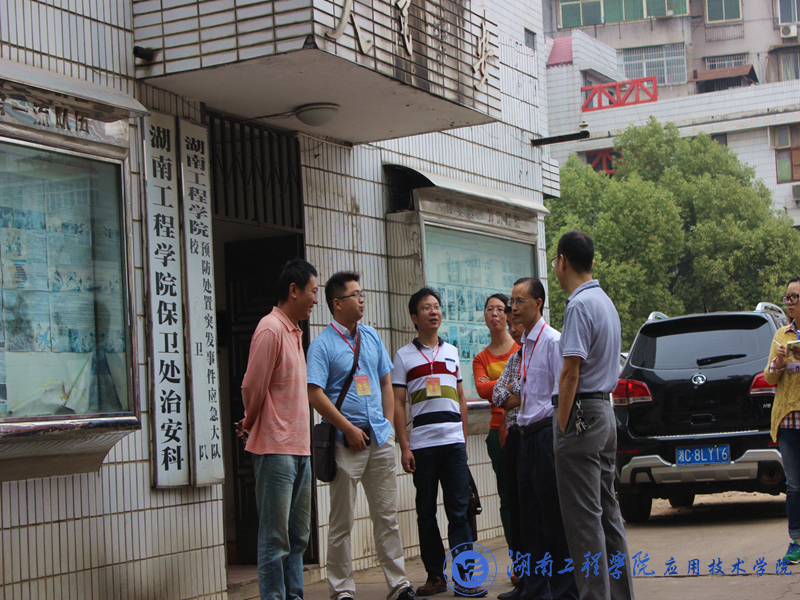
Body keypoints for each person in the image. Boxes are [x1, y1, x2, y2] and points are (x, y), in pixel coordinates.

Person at [307, 271, 417, 600]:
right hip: (345, 443)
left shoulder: (370, 336)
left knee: (387, 518)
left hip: (378, 440)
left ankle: (399, 586)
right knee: (341, 522)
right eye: (355, 295)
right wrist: (347, 428)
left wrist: (386, 425)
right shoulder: (322, 345)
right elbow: (315, 393)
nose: (361, 299)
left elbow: (385, 382)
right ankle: (342, 591)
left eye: (362, 293)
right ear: (337, 304)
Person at [551, 231, 634, 600]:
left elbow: (571, 371)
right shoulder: (604, 301)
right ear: (592, 261)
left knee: (584, 522)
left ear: (562, 261)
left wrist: (562, 424)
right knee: (608, 515)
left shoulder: (579, 305)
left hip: (582, 414)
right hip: (604, 412)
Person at [239, 258, 319, 600]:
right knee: (275, 538)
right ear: (293, 290)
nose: (316, 299)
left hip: (300, 449)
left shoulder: (294, 331)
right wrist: (249, 421)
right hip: (275, 449)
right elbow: (251, 387)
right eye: (313, 291)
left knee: (297, 537)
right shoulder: (270, 329)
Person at [392, 288, 474, 597]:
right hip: (423, 445)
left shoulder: (451, 351)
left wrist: (462, 439)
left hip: (453, 444)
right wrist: (404, 446)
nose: (434, 312)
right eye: (426, 308)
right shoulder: (403, 356)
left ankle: (466, 579)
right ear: (415, 317)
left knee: (459, 512)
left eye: (437, 306)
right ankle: (436, 576)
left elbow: (461, 398)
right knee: (426, 512)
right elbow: (398, 404)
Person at [508, 277, 577, 600]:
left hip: (546, 435)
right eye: (512, 301)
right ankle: (535, 589)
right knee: (529, 519)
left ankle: (564, 590)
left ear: (537, 304)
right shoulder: (525, 346)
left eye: (520, 301)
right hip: (525, 437)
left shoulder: (552, 341)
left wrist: (559, 435)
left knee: (553, 518)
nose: (513, 308)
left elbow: (563, 390)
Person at [472, 294, 518, 576]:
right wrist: (511, 383)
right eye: (489, 309)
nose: (495, 314)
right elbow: (481, 390)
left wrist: (497, 385)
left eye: (500, 309)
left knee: (529, 496)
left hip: (522, 428)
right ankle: (518, 562)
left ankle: (538, 561)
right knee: (508, 498)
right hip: (495, 432)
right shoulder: (481, 357)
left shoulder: (520, 349)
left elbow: (527, 380)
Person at [764, 275, 800, 565]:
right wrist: (777, 363)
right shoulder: (781, 335)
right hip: (789, 421)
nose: (789, 302)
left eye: (795, 297)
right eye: (787, 297)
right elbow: (769, 378)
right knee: (794, 484)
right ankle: (796, 540)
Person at [491, 318, 525, 599]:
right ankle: (523, 575)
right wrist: (518, 390)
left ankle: (545, 575)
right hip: (515, 436)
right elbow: (497, 393)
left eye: (517, 323)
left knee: (536, 507)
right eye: (510, 324)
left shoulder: (548, 347)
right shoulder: (516, 358)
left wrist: (516, 391)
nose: (513, 330)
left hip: (537, 435)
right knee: (515, 506)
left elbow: (538, 389)